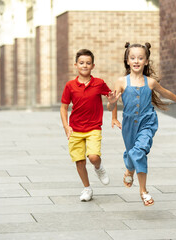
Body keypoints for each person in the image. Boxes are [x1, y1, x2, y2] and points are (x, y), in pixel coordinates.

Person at [107, 42, 176, 206]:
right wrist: (113, 113)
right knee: (131, 151)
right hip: (128, 124)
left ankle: (143, 191)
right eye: (132, 58)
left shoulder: (150, 82)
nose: (136, 61)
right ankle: (129, 168)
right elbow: (113, 102)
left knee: (139, 151)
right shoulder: (121, 82)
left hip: (147, 121)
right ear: (127, 61)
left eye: (140, 58)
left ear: (146, 61)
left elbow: (166, 93)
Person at [60, 49, 119, 202]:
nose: (84, 65)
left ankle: (99, 168)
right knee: (80, 161)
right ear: (76, 65)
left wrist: (113, 110)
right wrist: (66, 126)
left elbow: (111, 101)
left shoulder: (99, 83)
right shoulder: (70, 86)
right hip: (75, 129)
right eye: (81, 63)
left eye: (88, 63)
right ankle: (87, 188)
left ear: (93, 65)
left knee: (93, 157)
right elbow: (64, 107)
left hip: (93, 128)